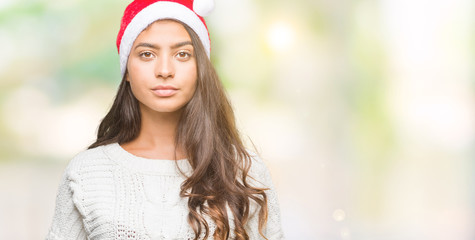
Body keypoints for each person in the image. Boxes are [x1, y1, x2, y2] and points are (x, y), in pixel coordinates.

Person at [46, 0, 285, 239]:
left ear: (200, 67)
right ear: (127, 69)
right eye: (147, 54)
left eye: (182, 54)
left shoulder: (244, 172)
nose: (164, 70)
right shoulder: (87, 172)